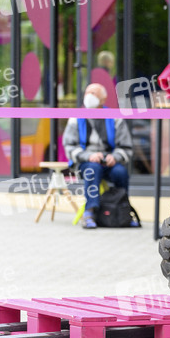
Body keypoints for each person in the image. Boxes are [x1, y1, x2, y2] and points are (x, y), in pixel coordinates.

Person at [62, 83, 136, 229]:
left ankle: (123, 210)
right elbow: (69, 146)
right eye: (87, 93)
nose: (89, 96)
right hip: (86, 162)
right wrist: (88, 156)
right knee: (93, 169)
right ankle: (90, 212)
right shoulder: (75, 118)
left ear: (103, 99)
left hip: (109, 162)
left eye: (93, 93)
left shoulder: (115, 118)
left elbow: (126, 146)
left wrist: (115, 157)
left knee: (120, 172)